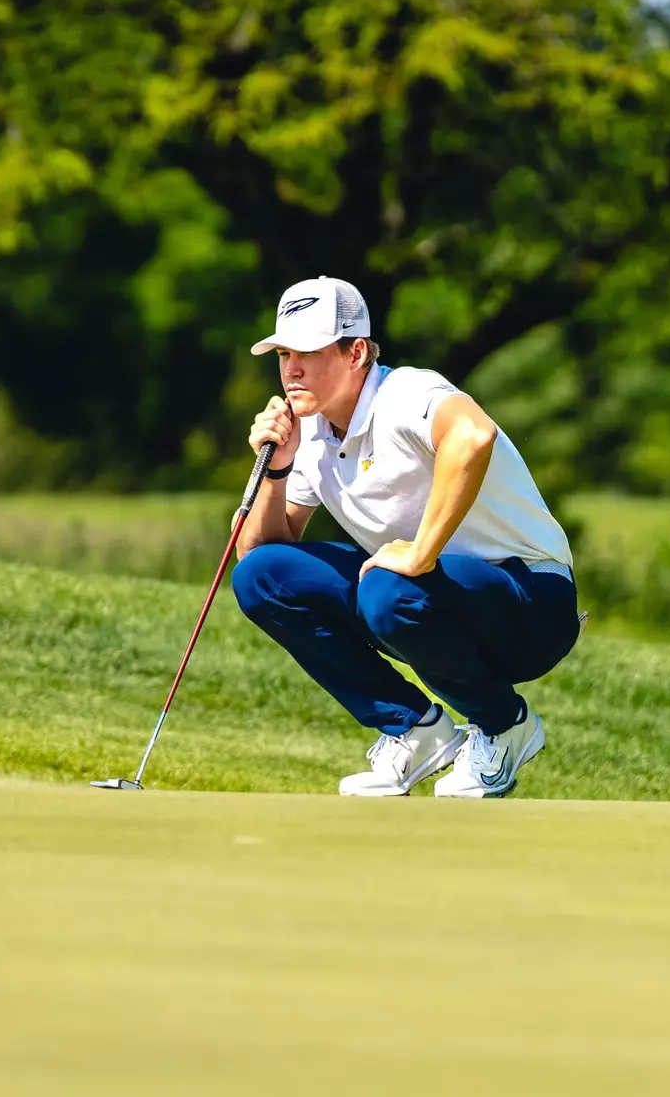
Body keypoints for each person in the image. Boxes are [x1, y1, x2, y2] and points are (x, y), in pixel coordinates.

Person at [232, 276, 580, 798]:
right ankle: (417, 732)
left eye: (308, 352)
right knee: (261, 576)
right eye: (284, 353)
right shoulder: (311, 434)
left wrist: (420, 553)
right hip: (426, 596)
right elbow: (258, 554)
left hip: (532, 602)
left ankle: (505, 725)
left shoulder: (406, 392)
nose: (291, 369)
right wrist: (277, 471)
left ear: (355, 353)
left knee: (388, 588)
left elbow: (473, 435)